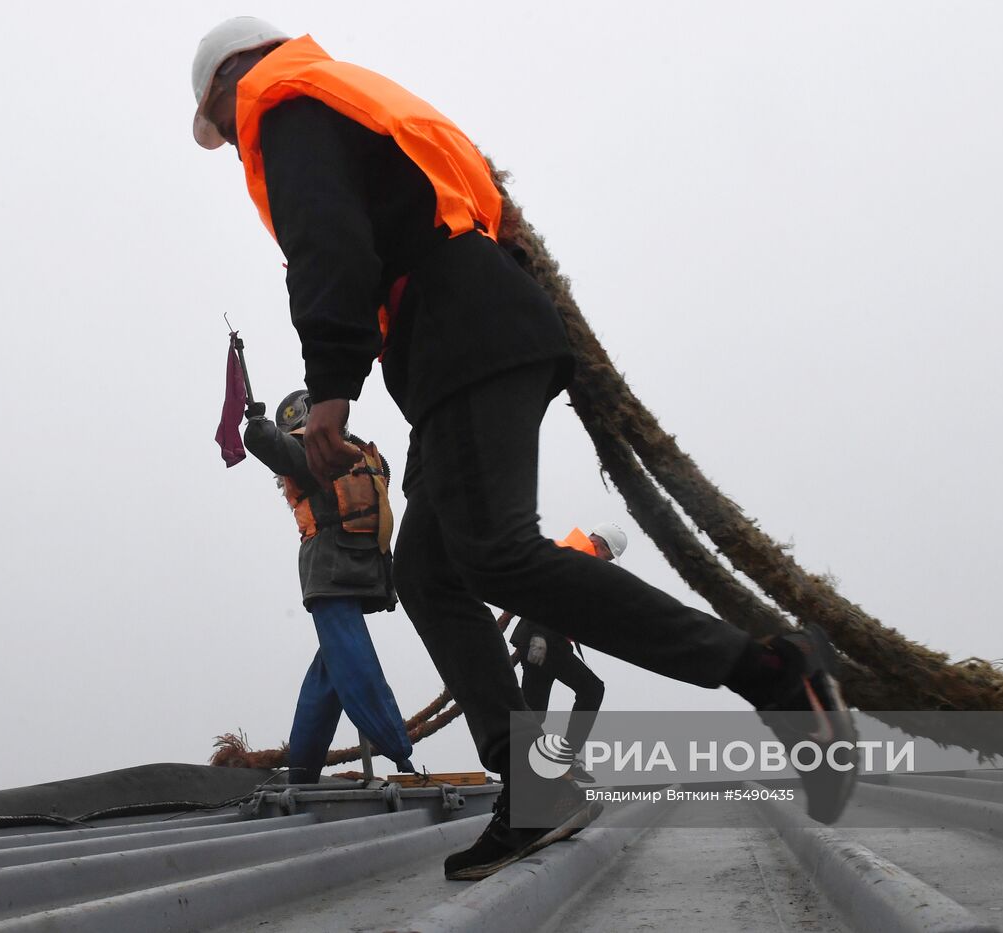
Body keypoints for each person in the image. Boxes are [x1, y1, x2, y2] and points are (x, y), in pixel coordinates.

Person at [190, 17, 858, 881]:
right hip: (466, 340)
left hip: (462, 335)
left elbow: (329, 245)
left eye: (218, 115)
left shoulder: (283, 109)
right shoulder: (343, 96)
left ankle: (769, 671)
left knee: (497, 555)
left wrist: (330, 387)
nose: (229, 133)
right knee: (431, 572)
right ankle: (535, 787)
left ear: (226, 83)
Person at [243, 388, 416, 783]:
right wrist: (256, 427)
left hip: (358, 571)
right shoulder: (309, 456)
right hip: (331, 573)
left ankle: (302, 772)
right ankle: (399, 752)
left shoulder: (353, 452)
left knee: (329, 675)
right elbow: (273, 446)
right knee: (355, 664)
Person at [508, 524, 627, 782]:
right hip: (544, 640)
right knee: (592, 689)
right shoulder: (577, 556)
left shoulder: (575, 555)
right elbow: (544, 592)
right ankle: (565, 758)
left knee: (533, 713)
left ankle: (522, 773)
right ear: (599, 545)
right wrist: (539, 634)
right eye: (607, 557)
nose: (605, 563)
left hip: (543, 640)